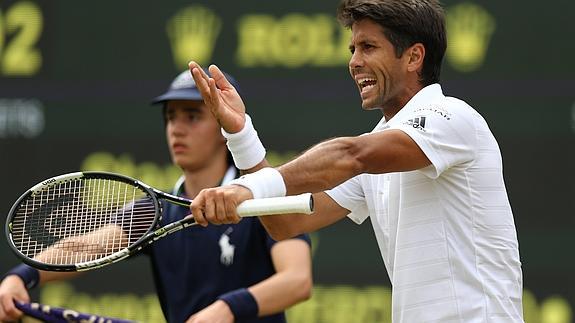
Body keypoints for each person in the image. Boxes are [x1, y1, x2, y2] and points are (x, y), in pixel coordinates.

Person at [186, 0, 524, 322]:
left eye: (368, 47)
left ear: (413, 57)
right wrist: (242, 135)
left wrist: (247, 188)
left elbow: (352, 155)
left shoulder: (451, 117)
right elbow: (283, 224)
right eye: (353, 50)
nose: (354, 62)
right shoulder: (379, 149)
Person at [0, 69, 313, 323]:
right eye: (170, 116)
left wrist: (226, 309)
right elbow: (87, 246)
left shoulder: (262, 196)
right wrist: (22, 276)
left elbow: (297, 280)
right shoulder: (156, 210)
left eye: (192, 116)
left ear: (224, 126)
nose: (176, 128)